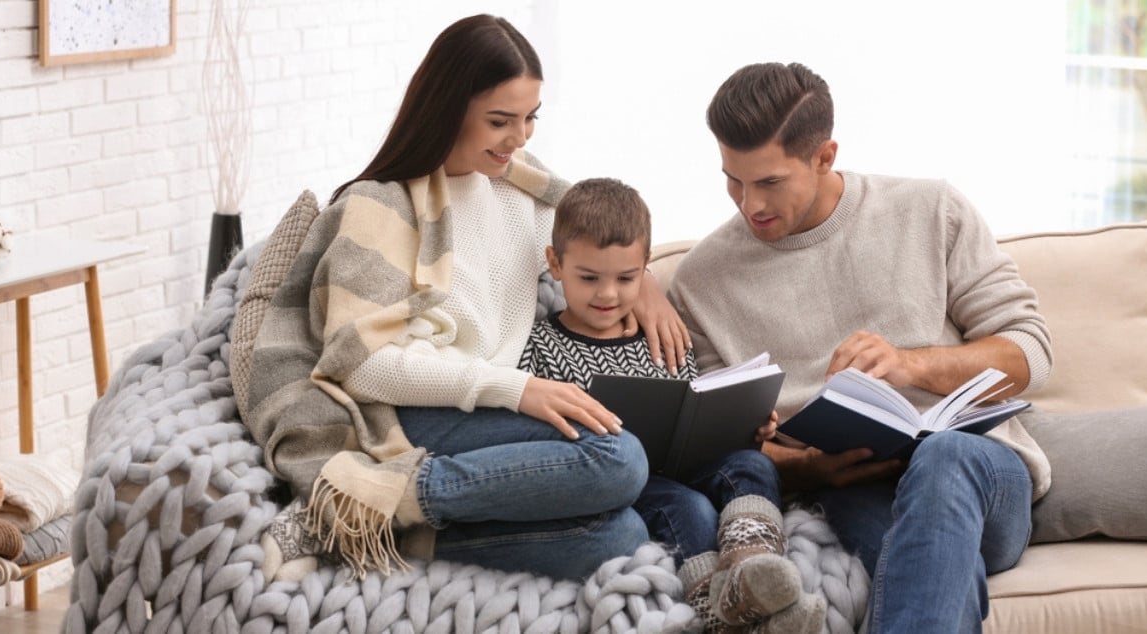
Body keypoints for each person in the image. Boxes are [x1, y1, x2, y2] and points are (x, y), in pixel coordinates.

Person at [238, 14, 690, 582]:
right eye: (501, 120)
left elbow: (602, 232)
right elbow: (358, 365)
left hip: (487, 407)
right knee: (619, 459)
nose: (521, 138)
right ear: (449, 108)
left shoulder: (520, 183)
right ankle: (365, 498)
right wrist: (515, 388)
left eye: (530, 118)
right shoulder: (383, 205)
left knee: (622, 533)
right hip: (417, 406)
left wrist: (644, 284)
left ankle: (392, 527)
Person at [668, 61, 1054, 632]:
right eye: (733, 179)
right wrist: (809, 467)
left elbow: (1030, 353)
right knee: (937, 571)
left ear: (824, 156)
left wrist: (909, 363)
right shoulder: (702, 282)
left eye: (769, 182)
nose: (749, 204)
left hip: (980, 475)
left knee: (945, 457)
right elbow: (717, 446)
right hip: (852, 495)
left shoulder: (930, 210)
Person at [518, 177, 826, 633]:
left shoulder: (663, 337)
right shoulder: (541, 345)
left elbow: (692, 402)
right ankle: (721, 612)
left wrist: (747, 427)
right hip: (624, 484)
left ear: (644, 271)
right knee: (691, 508)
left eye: (625, 279)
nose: (607, 295)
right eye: (589, 278)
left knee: (751, 464)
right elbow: (531, 432)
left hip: (684, 461)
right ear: (555, 264)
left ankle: (754, 567)